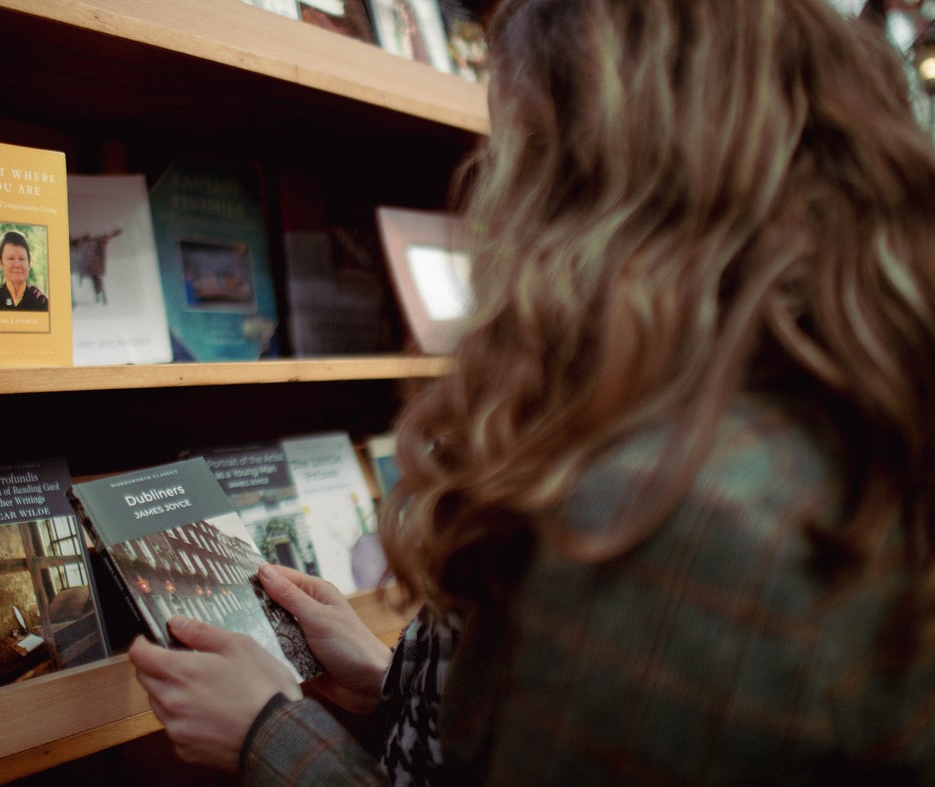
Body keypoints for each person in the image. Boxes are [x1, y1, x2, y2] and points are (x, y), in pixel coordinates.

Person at [129, 0, 935, 782]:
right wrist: (394, 681)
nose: (493, 207)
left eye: (516, 155)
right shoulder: (804, 423)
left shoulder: (673, 518)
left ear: (604, 189)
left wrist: (269, 736)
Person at [0, 229, 49, 311]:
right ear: (1, 263)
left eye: (21, 258)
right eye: (10, 258)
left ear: (29, 263)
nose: (17, 265)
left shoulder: (41, 302)